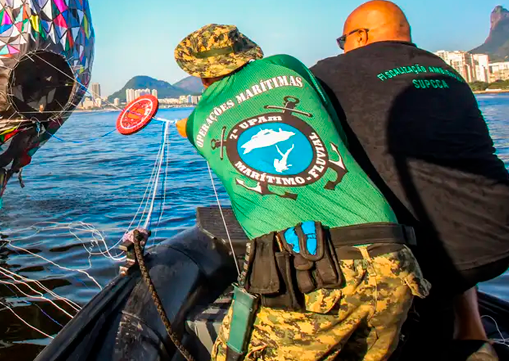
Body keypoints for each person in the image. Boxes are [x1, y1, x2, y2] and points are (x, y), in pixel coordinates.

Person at [175, 24, 428, 361]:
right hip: (391, 257)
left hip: (311, 273)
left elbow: (190, 128)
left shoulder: (199, 121)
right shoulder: (285, 66)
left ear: (198, 75)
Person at [310, 0, 509, 361]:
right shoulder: (444, 69)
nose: (341, 50)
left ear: (360, 35)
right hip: (497, 236)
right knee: (443, 200)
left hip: (426, 254)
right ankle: (472, 333)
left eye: (343, 41)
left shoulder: (334, 72)